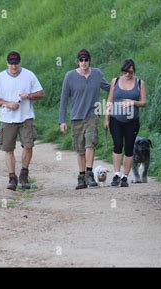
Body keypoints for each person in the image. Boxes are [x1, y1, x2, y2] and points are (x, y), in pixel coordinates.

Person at [0, 51, 44, 191]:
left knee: (28, 145)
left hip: (26, 117)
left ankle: (24, 173)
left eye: (16, 63)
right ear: (7, 63)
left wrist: (28, 95)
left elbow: (41, 93)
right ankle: (12, 177)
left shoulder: (29, 75)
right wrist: (7, 104)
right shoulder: (0, 77)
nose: (14, 66)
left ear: (20, 62)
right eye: (11, 63)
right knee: (8, 148)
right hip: (7, 118)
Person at [59, 49, 110, 189]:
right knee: (80, 148)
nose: (84, 62)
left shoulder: (97, 74)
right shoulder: (69, 76)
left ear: (89, 61)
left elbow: (109, 88)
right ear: (77, 61)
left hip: (92, 115)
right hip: (76, 117)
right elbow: (63, 100)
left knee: (90, 143)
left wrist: (123, 86)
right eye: (81, 60)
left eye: (86, 60)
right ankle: (81, 177)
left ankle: (89, 173)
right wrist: (62, 121)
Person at [104, 59, 147, 187]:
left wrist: (132, 102)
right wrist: (106, 118)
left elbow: (144, 102)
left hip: (132, 121)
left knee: (129, 148)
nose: (128, 74)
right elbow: (110, 101)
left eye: (130, 72)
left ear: (134, 70)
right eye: (125, 71)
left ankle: (125, 177)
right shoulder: (115, 81)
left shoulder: (140, 83)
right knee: (117, 145)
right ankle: (117, 174)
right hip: (115, 119)